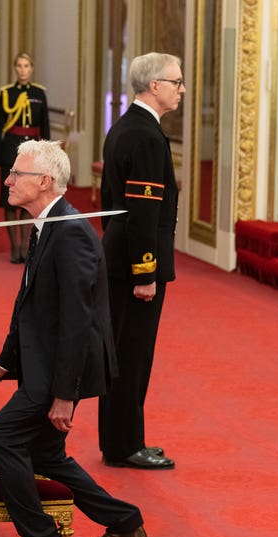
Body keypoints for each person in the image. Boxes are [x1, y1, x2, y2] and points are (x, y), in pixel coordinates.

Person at [0, 140, 147, 537]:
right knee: (48, 457)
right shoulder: (45, 224)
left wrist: (64, 396)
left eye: (18, 174)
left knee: (1, 437)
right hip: (42, 364)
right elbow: (29, 307)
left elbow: (77, 322)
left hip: (58, 371)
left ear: (45, 182)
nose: (9, 180)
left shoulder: (71, 232)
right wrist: (4, 361)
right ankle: (126, 524)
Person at [98, 52, 184, 470]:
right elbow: (143, 212)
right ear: (155, 86)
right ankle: (125, 446)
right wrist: (145, 271)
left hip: (118, 254)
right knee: (132, 355)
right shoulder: (147, 136)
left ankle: (121, 440)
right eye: (176, 82)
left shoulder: (123, 127)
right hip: (136, 264)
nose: (181, 90)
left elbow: (107, 202)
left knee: (121, 352)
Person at [0, 53, 50, 264]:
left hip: (32, 154)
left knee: (26, 201)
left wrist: (47, 159)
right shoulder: (6, 94)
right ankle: (13, 246)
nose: (23, 69)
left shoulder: (39, 94)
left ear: (31, 69)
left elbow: (45, 128)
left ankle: (25, 245)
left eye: (26, 66)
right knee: (9, 202)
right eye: (19, 65)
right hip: (10, 152)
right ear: (15, 69)